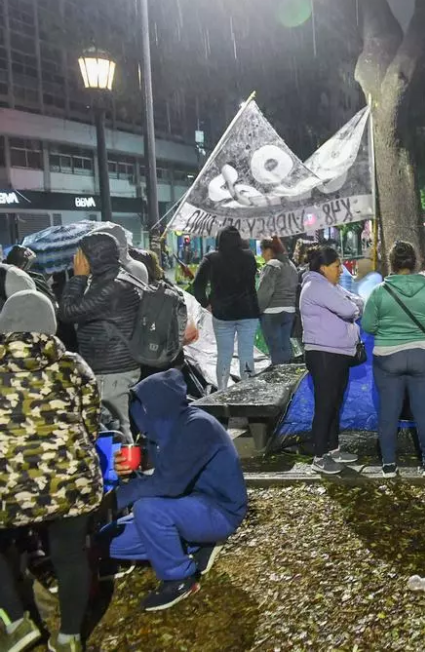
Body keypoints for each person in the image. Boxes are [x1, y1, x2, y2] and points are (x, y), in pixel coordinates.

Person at [0, 291, 101, 652]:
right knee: (71, 554)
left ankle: (15, 621)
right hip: (70, 480)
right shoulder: (74, 365)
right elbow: (91, 425)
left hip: (7, 485)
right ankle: (70, 637)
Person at [106, 369, 246, 612]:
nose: (140, 417)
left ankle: (180, 578)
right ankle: (197, 544)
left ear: (158, 404)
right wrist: (130, 475)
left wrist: (112, 501)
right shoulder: (161, 434)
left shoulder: (197, 425)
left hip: (219, 510)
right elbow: (163, 479)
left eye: (143, 408)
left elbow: (167, 485)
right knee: (108, 542)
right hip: (185, 506)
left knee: (147, 509)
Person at [361, 243, 425, 478]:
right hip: (423, 356)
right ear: (415, 261)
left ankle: (389, 465)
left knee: (389, 412)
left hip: (388, 358)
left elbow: (368, 325)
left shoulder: (380, 291)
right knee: (424, 411)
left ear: (391, 263)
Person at [58, 231, 142, 434]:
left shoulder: (110, 287)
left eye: (81, 255)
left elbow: (67, 312)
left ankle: (125, 466)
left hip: (112, 371)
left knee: (118, 431)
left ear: (93, 257)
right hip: (116, 367)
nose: (76, 260)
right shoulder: (117, 278)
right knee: (117, 426)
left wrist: (78, 278)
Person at [300, 247, 364, 475]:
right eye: (337, 266)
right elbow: (349, 309)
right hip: (324, 354)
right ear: (323, 267)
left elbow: (357, 302)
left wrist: (353, 306)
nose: (341, 270)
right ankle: (319, 456)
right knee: (325, 404)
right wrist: (354, 308)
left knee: (335, 402)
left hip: (337, 352)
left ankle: (333, 448)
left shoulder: (329, 286)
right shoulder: (316, 286)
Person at [191, 227, 261, 391]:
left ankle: (222, 392)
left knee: (224, 354)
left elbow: (197, 285)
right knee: (246, 354)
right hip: (248, 312)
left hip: (223, 314)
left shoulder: (211, 258)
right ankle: (248, 391)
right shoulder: (249, 256)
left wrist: (206, 303)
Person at [256, 238, 299, 366]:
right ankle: (290, 375)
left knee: (275, 350)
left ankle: (280, 378)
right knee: (285, 346)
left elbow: (264, 293)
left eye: (262, 251)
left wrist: (257, 310)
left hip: (272, 312)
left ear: (269, 250)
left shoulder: (272, 265)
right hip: (289, 311)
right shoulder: (291, 265)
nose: (262, 255)